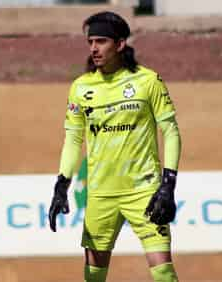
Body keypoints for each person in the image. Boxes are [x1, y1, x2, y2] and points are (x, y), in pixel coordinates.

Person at [48, 11, 182, 282]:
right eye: (90, 42)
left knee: (164, 274)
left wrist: (168, 185)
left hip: (144, 191)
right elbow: (73, 140)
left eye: (101, 41)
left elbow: (170, 132)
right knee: (93, 277)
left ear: (120, 44)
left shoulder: (148, 81)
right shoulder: (80, 87)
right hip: (100, 194)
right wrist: (62, 184)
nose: (94, 48)